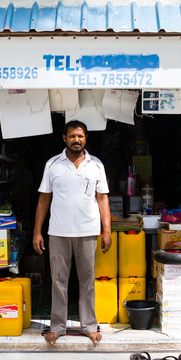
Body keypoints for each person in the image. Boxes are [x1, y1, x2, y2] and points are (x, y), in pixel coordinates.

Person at [33, 120, 112, 346]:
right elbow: (43, 199)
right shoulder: (53, 164)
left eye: (80, 136)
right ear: (64, 138)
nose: (76, 140)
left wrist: (107, 231)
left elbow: (102, 199)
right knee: (58, 281)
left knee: (87, 281)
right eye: (72, 136)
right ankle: (57, 327)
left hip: (88, 231)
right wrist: (37, 231)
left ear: (85, 138)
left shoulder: (96, 165)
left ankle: (89, 326)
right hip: (58, 232)